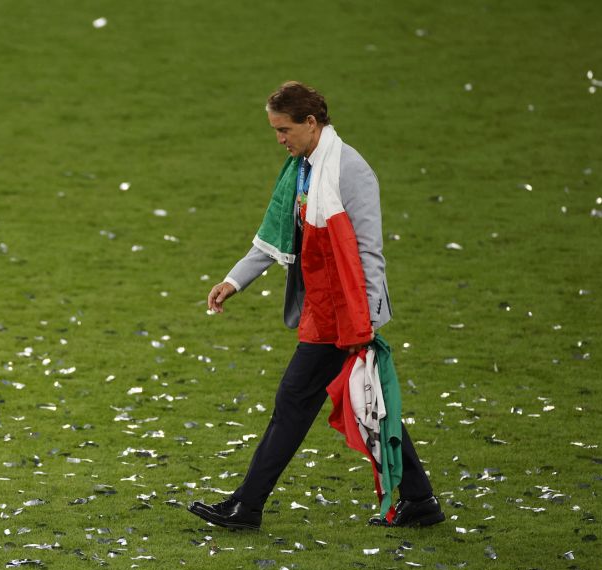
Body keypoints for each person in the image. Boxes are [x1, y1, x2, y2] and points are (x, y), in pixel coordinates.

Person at [188, 81, 444, 531]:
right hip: (323, 308)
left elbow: (369, 252)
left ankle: (246, 506)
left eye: (284, 129)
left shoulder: (350, 170)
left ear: (311, 122)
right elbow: (280, 237)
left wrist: (361, 321)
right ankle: (420, 500)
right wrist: (233, 280)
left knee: (296, 403)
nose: (279, 139)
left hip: (342, 314)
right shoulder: (303, 168)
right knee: (371, 406)